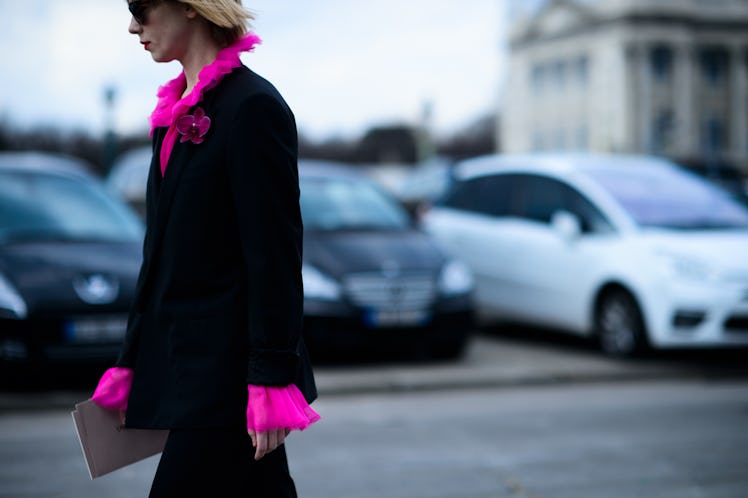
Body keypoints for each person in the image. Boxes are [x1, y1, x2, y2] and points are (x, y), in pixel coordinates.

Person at [89, 1, 320, 496]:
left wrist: (271, 378)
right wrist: (130, 361)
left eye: (141, 7)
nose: (133, 26)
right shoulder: (174, 114)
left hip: (228, 379)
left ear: (189, 7)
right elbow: (159, 261)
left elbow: (275, 256)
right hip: (186, 370)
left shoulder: (251, 106)